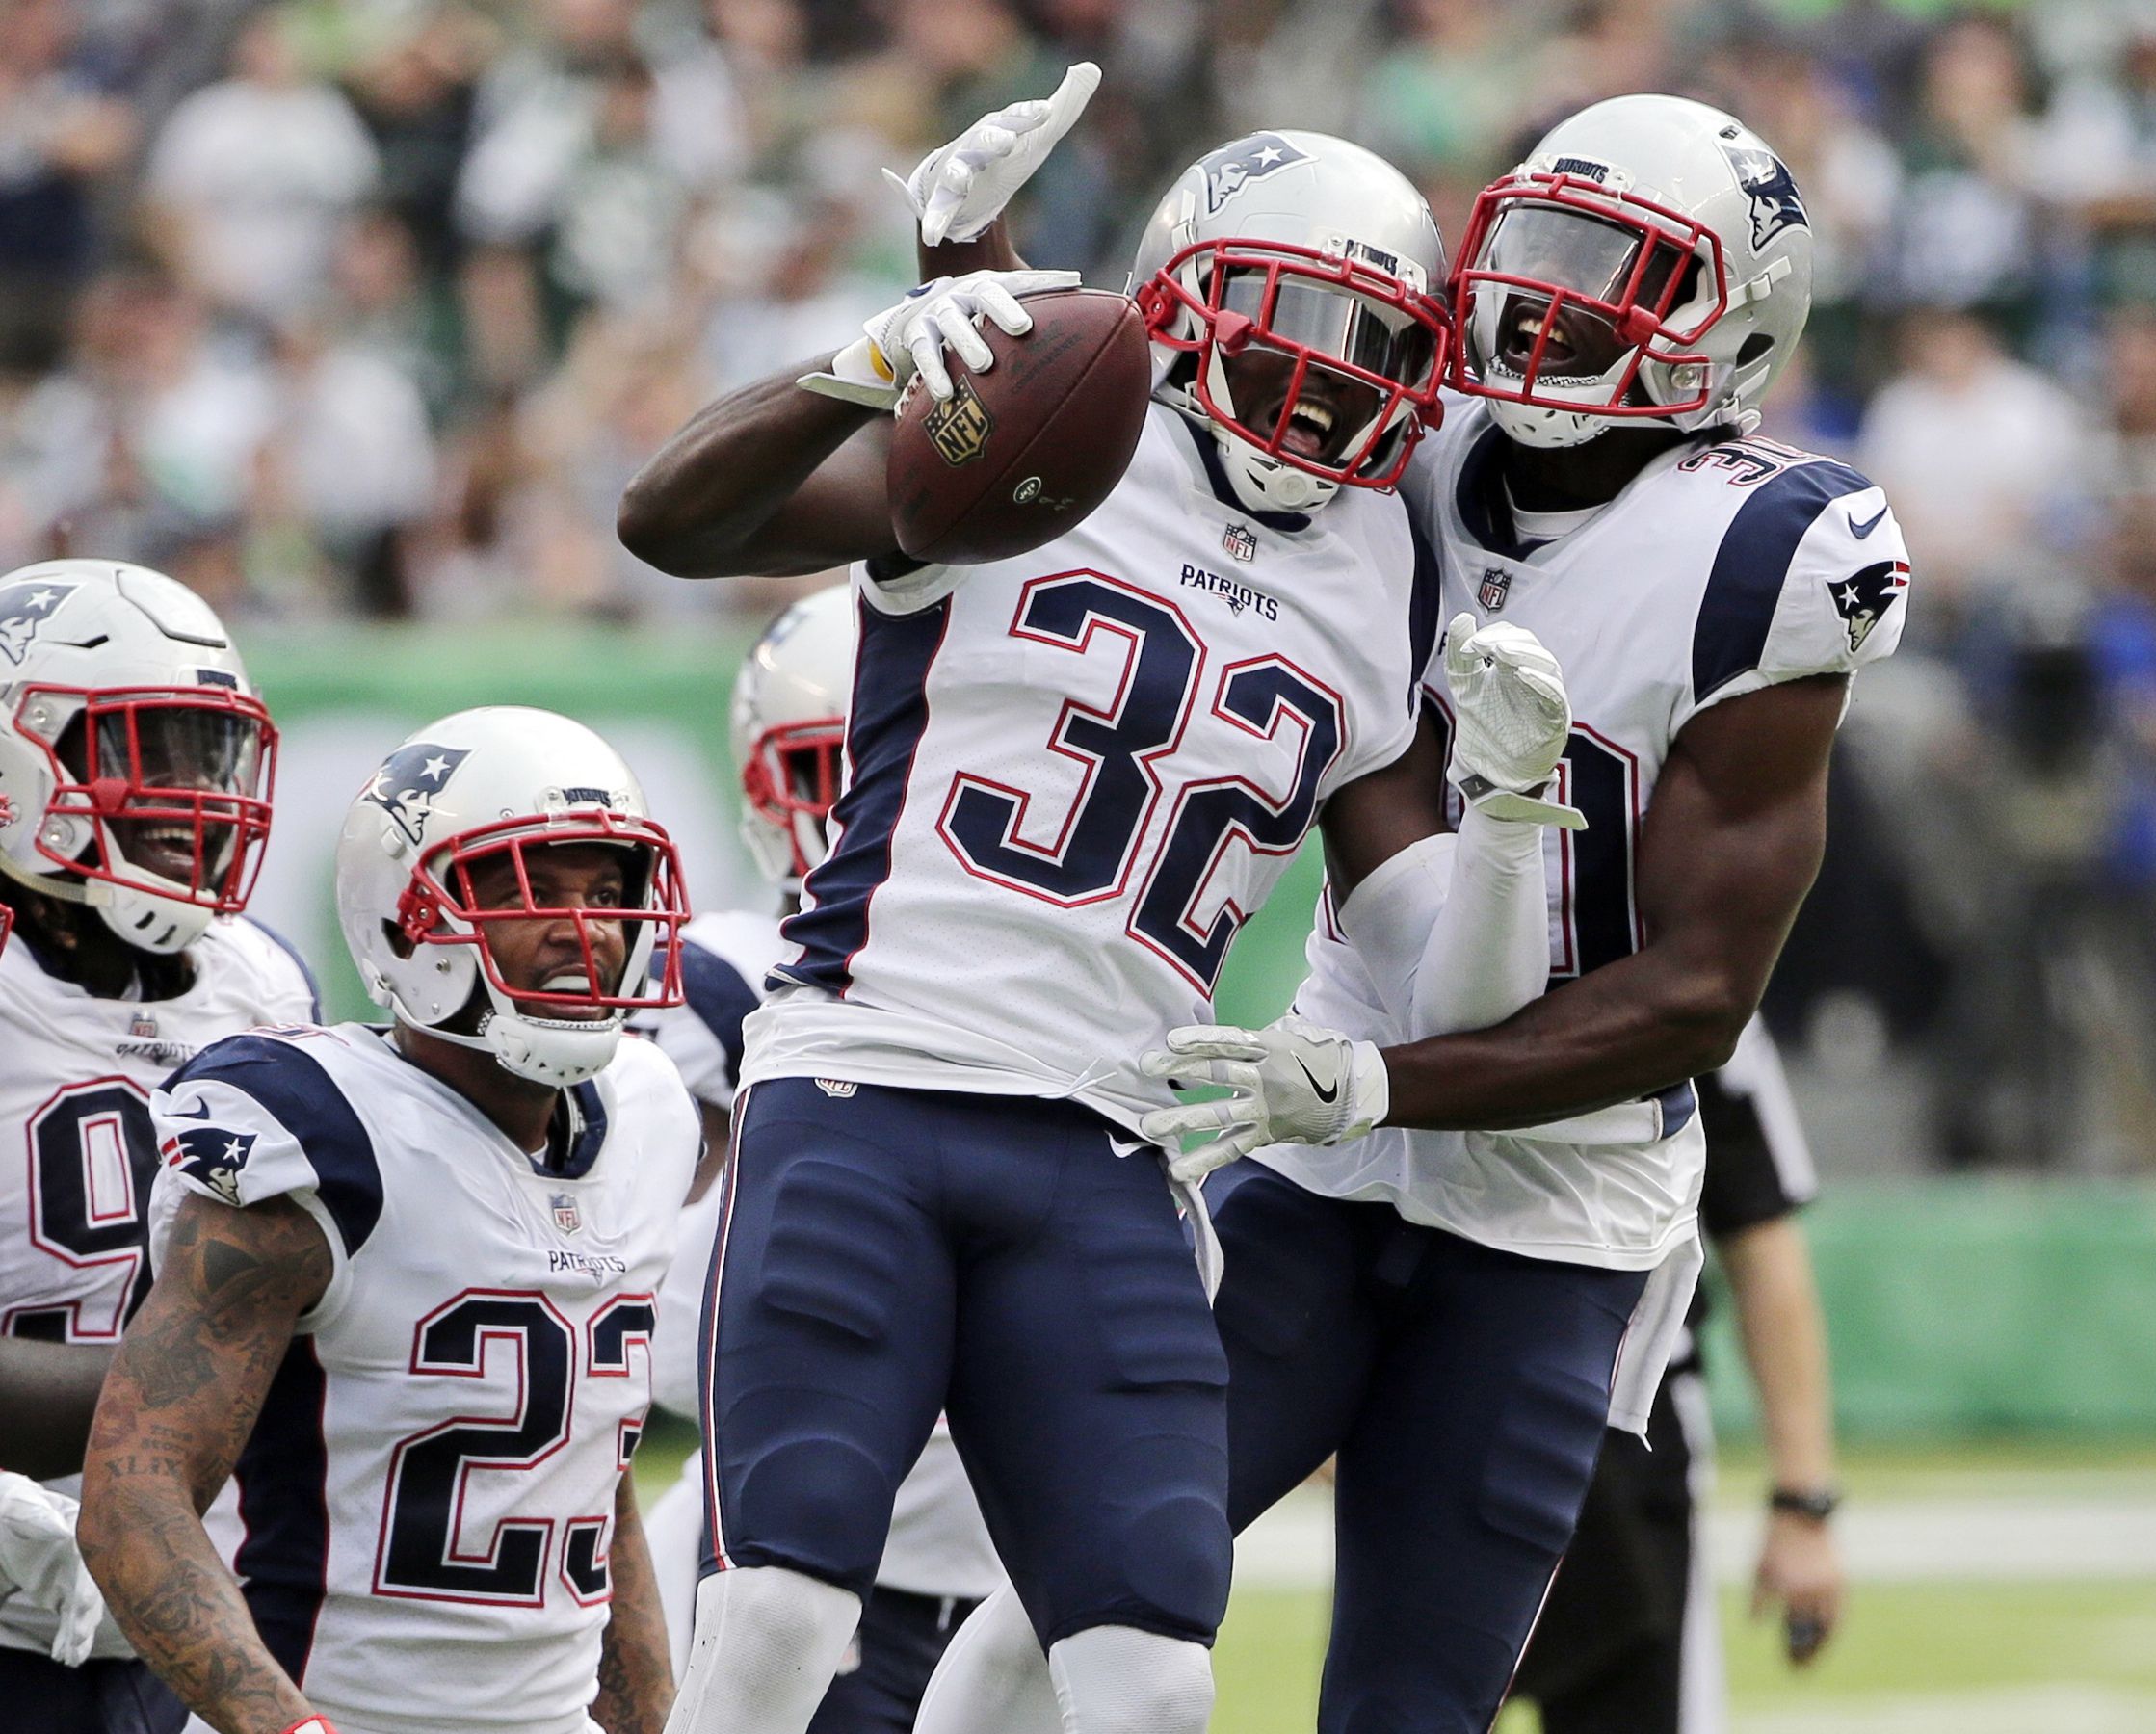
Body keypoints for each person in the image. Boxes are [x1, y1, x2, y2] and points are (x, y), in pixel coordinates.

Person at [911, 92, 1910, 1734]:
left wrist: (1382, 1084)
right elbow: (1099, 429)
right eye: (1538, 246)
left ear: (1736, 328)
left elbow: (1696, 1001)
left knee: (1408, 1707)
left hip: (1550, 1211)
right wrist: (970, 262)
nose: (1549, 297)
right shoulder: (1403, 435)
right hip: (1325, 1157)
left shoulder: (1772, 554)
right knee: (1066, 1602)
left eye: (1620, 267)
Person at [617, 72, 1588, 1734]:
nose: (1330, 373)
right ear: (1181, 296)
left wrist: (1509, 814)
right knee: (775, 1614)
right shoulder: (1059, 426)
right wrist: (869, 353)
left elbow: (1441, 971)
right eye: (1290, 317)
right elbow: (673, 522)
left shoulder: (1380, 560)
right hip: (876, 1075)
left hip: (1107, 1138)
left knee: (1147, 1686)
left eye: (1372, 340)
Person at [75, 707, 699, 1734]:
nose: (583, 929)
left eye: (607, 891)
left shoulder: (646, 1117)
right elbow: (135, 1496)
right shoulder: (322, 1137)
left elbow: (595, 1477)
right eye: (532, 890)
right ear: (408, 920)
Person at [630, 586, 1008, 1732]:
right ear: (764, 792)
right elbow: (651, 1319)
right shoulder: (726, 981)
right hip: (806, 1556)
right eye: (828, 768)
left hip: (1005, 1575)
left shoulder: (1047, 993)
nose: (873, 800)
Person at [0, 558, 317, 1734]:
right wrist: (209, 1385)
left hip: (175, 1629)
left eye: (203, 751)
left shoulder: (263, 983)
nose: (189, 794)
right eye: (143, 752)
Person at [1510, 1017, 1846, 1734]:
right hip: (1441, 1409)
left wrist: (1803, 1500)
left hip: (1630, 1420)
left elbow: (1761, 1234)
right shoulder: (1410, 945)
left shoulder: (1696, 982)